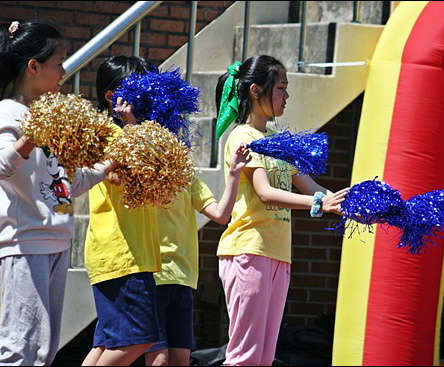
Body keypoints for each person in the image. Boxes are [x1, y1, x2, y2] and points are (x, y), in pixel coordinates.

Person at [0, 20, 117, 365]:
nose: (64, 70)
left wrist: (105, 170)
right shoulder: (7, 114)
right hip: (24, 244)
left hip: (54, 240)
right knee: (19, 347)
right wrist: (31, 137)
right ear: (33, 66)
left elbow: (65, 182)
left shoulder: (41, 116)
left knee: (44, 349)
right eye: (59, 62)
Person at [214, 55, 350, 366]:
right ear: (255, 90)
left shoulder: (277, 141)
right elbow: (265, 193)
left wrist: (350, 204)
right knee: (244, 357)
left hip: (277, 255)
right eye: (281, 88)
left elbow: (310, 186)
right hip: (248, 252)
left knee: (264, 358)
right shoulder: (242, 136)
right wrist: (320, 204)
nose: (286, 96)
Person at [82, 55, 166, 366]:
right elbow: (119, 178)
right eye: (136, 88)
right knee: (140, 338)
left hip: (128, 252)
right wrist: (132, 125)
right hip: (122, 253)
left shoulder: (121, 133)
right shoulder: (110, 134)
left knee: (106, 343)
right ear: (110, 96)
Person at [144, 142, 251, 366]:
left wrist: (233, 174)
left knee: (181, 360)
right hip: (152, 277)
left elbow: (222, 215)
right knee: (159, 361)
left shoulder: (187, 177)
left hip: (183, 278)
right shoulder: (143, 170)